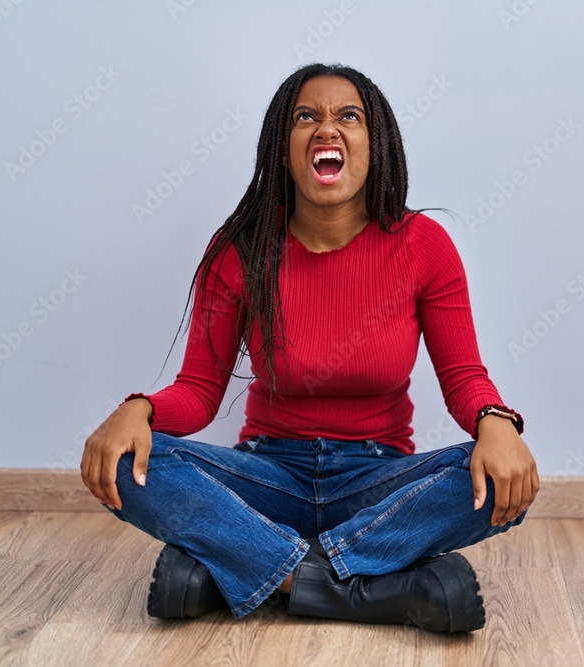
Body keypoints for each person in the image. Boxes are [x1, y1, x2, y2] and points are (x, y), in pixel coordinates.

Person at [81, 63, 539, 633]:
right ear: (283, 147)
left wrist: (497, 421)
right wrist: (139, 410)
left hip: (376, 484)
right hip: (268, 477)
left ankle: (241, 569)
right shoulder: (240, 249)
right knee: (125, 462)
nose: (327, 129)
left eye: (349, 116)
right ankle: (358, 582)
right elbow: (198, 393)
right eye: (306, 117)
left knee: (501, 475)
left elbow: (465, 376)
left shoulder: (425, 246)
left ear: (377, 146)